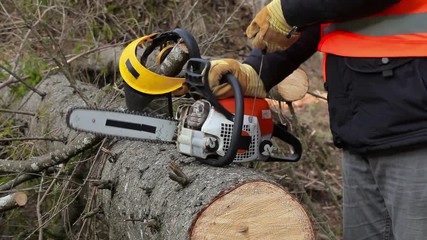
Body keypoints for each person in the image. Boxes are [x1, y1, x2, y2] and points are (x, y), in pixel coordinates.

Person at [207, 0, 427, 239]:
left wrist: (290, 10)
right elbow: (322, 19)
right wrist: (257, 72)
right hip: (360, 121)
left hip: (414, 121)